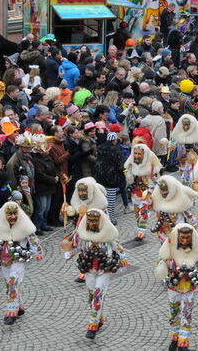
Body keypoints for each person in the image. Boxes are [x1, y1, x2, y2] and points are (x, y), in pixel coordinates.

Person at [0, 201, 43, 324]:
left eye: (15, 213)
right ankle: (19, 306)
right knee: (8, 284)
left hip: (18, 259)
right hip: (4, 260)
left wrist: (38, 252)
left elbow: (33, 239)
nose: (13, 217)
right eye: (9, 214)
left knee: (12, 282)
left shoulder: (24, 226)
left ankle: (11, 311)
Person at [69, 208, 127, 339]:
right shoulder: (83, 234)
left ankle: (92, 324)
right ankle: (99, 318)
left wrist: (123, 259)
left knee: (97, 294)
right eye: (90, 220)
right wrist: (69, 252)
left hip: (104, 269)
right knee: (91, 295)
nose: (92, 223)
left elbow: (118, 247)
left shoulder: (108, 235)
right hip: (89, 269)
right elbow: (77, 246)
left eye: (95, 220)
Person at [154, 224, 198, 350]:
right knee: (173, 312)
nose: (184, 241)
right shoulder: (169, 249)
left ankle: (184, 340)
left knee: (186, 313)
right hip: (174, 287)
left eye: (188, 238)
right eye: (182, 238)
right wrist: (167, 265)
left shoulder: (197, 251)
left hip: (190, 287)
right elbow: (161, 265)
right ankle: (175, 336)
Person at [124, 142, 162, 241]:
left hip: (147, 193)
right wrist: (128, 174)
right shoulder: (131, 164)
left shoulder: (152, 168)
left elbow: (156, 181)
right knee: (137, 213)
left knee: (143, 212)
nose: (136, 156)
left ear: (144, 155)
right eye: (135, 153)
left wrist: (151, 191)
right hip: (135, 193)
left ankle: (141, 232)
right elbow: (127, 175)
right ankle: (140, 228)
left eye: (139, 154)